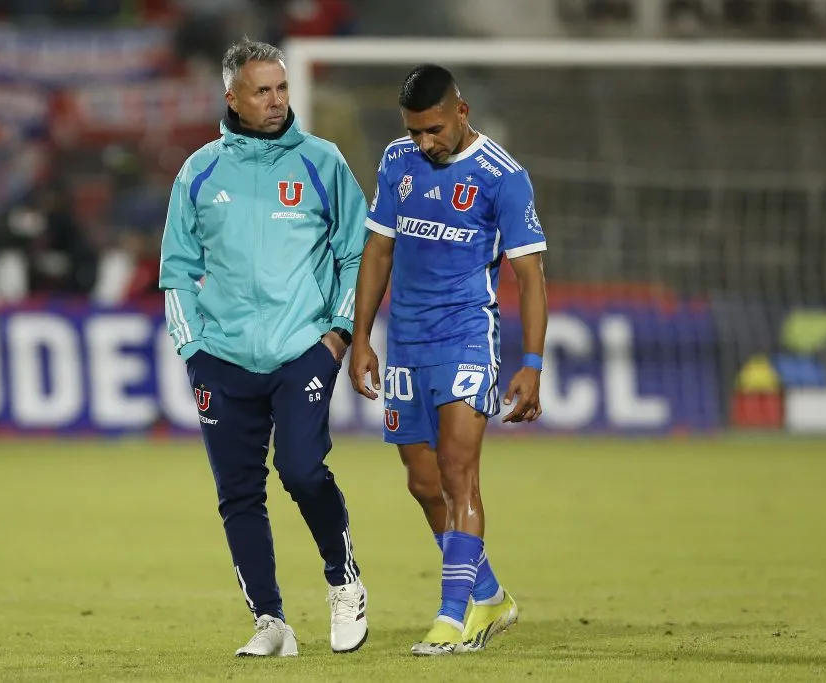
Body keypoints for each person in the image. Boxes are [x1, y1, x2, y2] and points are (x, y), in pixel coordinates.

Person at [159, 37, 369, 658]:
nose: (277, 100)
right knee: (239, 495)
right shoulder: (199, 171)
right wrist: (192, 348)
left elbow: (357, 252)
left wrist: (338, 333)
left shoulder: (322, 162)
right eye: (262, 91)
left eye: (281, 88)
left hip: (303, 348)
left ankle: (344, 581)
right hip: (220, 358)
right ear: (232, 97)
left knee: (302, 470)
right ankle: (271, 622)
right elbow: (176, 269)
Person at [348, 64, 549, 656]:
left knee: (460, 473)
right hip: (406, 342)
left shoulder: (502, 177)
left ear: (462, 112)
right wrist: (361, 337)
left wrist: (532, 362)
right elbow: (378, 250)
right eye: (413, 131)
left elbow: (530, 276)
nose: (423, 142)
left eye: (433, 129)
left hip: (465, 337)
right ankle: (488, 595)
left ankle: (453, 616)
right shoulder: (396, 161)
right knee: (423, 481)